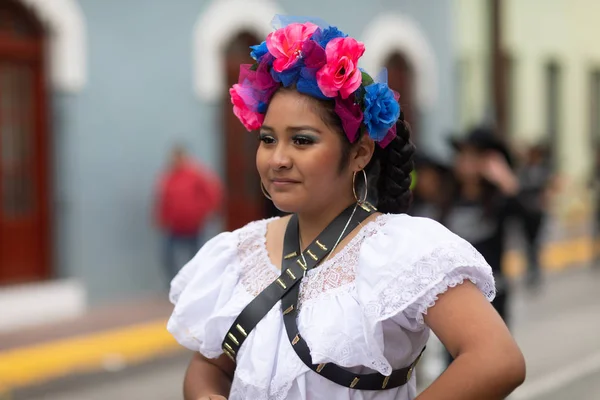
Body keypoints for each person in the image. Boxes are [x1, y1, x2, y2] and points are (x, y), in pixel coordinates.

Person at [167, 17, 525, 400]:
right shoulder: (239, 252)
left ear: (359, 153)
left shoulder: (399, 249)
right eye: (268, 139)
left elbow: (497, 359)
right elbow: (211, 366)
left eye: (302, 141)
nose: (278, 158)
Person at [445, 127, 520, 326]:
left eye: (473, 156)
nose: (465, 162)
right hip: (453, 292)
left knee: (494, 352)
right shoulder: (448, 198)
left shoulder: (498, 200)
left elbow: (527, 219)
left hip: (492, 292)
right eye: (462, 155)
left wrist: (506, 180)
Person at [154, 145, 223, 282]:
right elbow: (163, 199)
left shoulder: (196, 174)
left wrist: (209, 211)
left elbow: (212, 193)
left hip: (194, 225)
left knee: (196, 256)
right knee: (167, 257)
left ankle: (196, 283)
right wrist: (161, 218)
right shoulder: (168, 178)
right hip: (174, 226)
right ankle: (174, 284)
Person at [516, 144, 554, 288]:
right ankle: (530, 271)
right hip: (525, 212)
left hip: (537, 212)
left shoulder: (543, 170)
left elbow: (546, 190)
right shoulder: (524, 171)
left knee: (536, 244)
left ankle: (536, 272)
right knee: (527, 244)